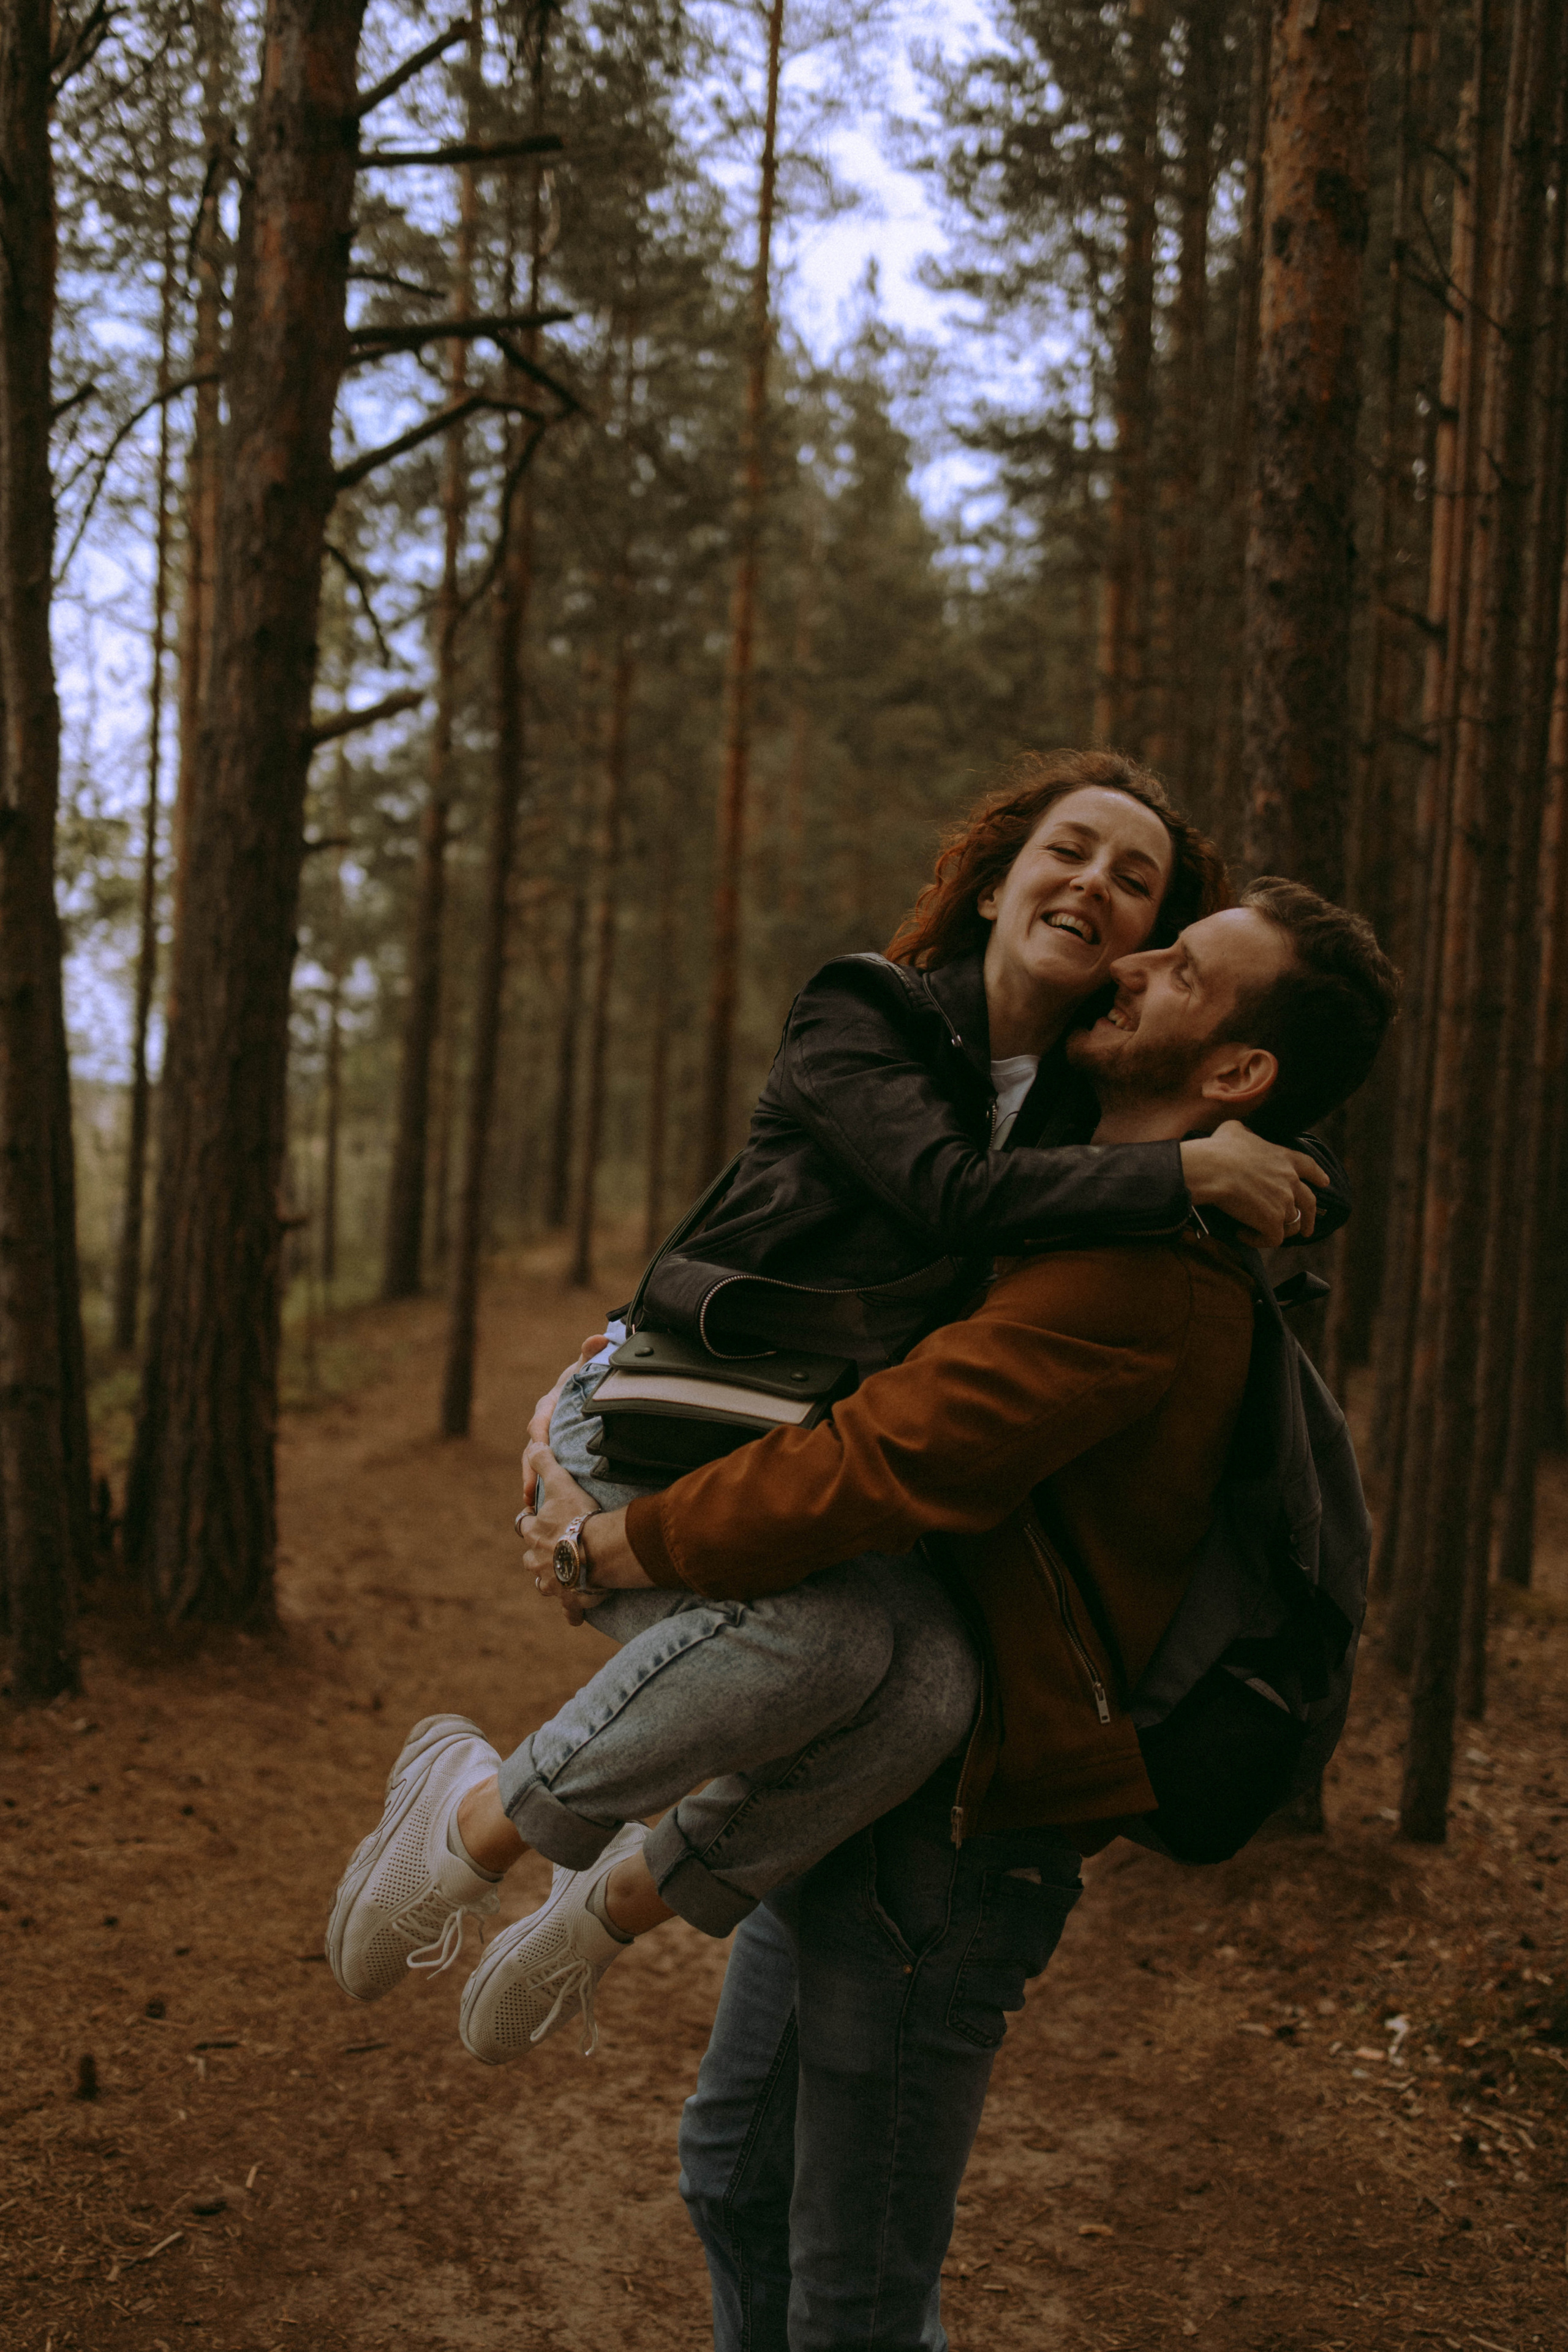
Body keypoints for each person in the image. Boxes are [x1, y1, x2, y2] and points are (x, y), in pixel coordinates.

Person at [325, 755, 1340, 2055]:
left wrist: (1277, 1167)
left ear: (1141, 952)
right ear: (993, 883)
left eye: (1132, 883)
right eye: (1066, 850)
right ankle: (468, 1816)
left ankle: (605, 1911)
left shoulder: (1091, 1104)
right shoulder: (865, 1011)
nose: (1092, 883)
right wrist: (1189, 1170)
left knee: (929, 1695)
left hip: (794, 1470)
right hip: (660, 1424)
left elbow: (1261, 1123)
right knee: (825, 1648)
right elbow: (943, 1192)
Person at [516, 875, 1400, 2352]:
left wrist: (614, 1546)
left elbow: (872, 1461)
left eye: (1180, 968)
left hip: (960, 1847)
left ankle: (509, 1832)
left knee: (854, 2296)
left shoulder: (1131, 1281)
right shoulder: (1058, 1177)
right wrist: (611, 1363)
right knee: (735, 2183)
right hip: (880, 1792)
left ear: (1236, 1074)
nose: (1130, 961)